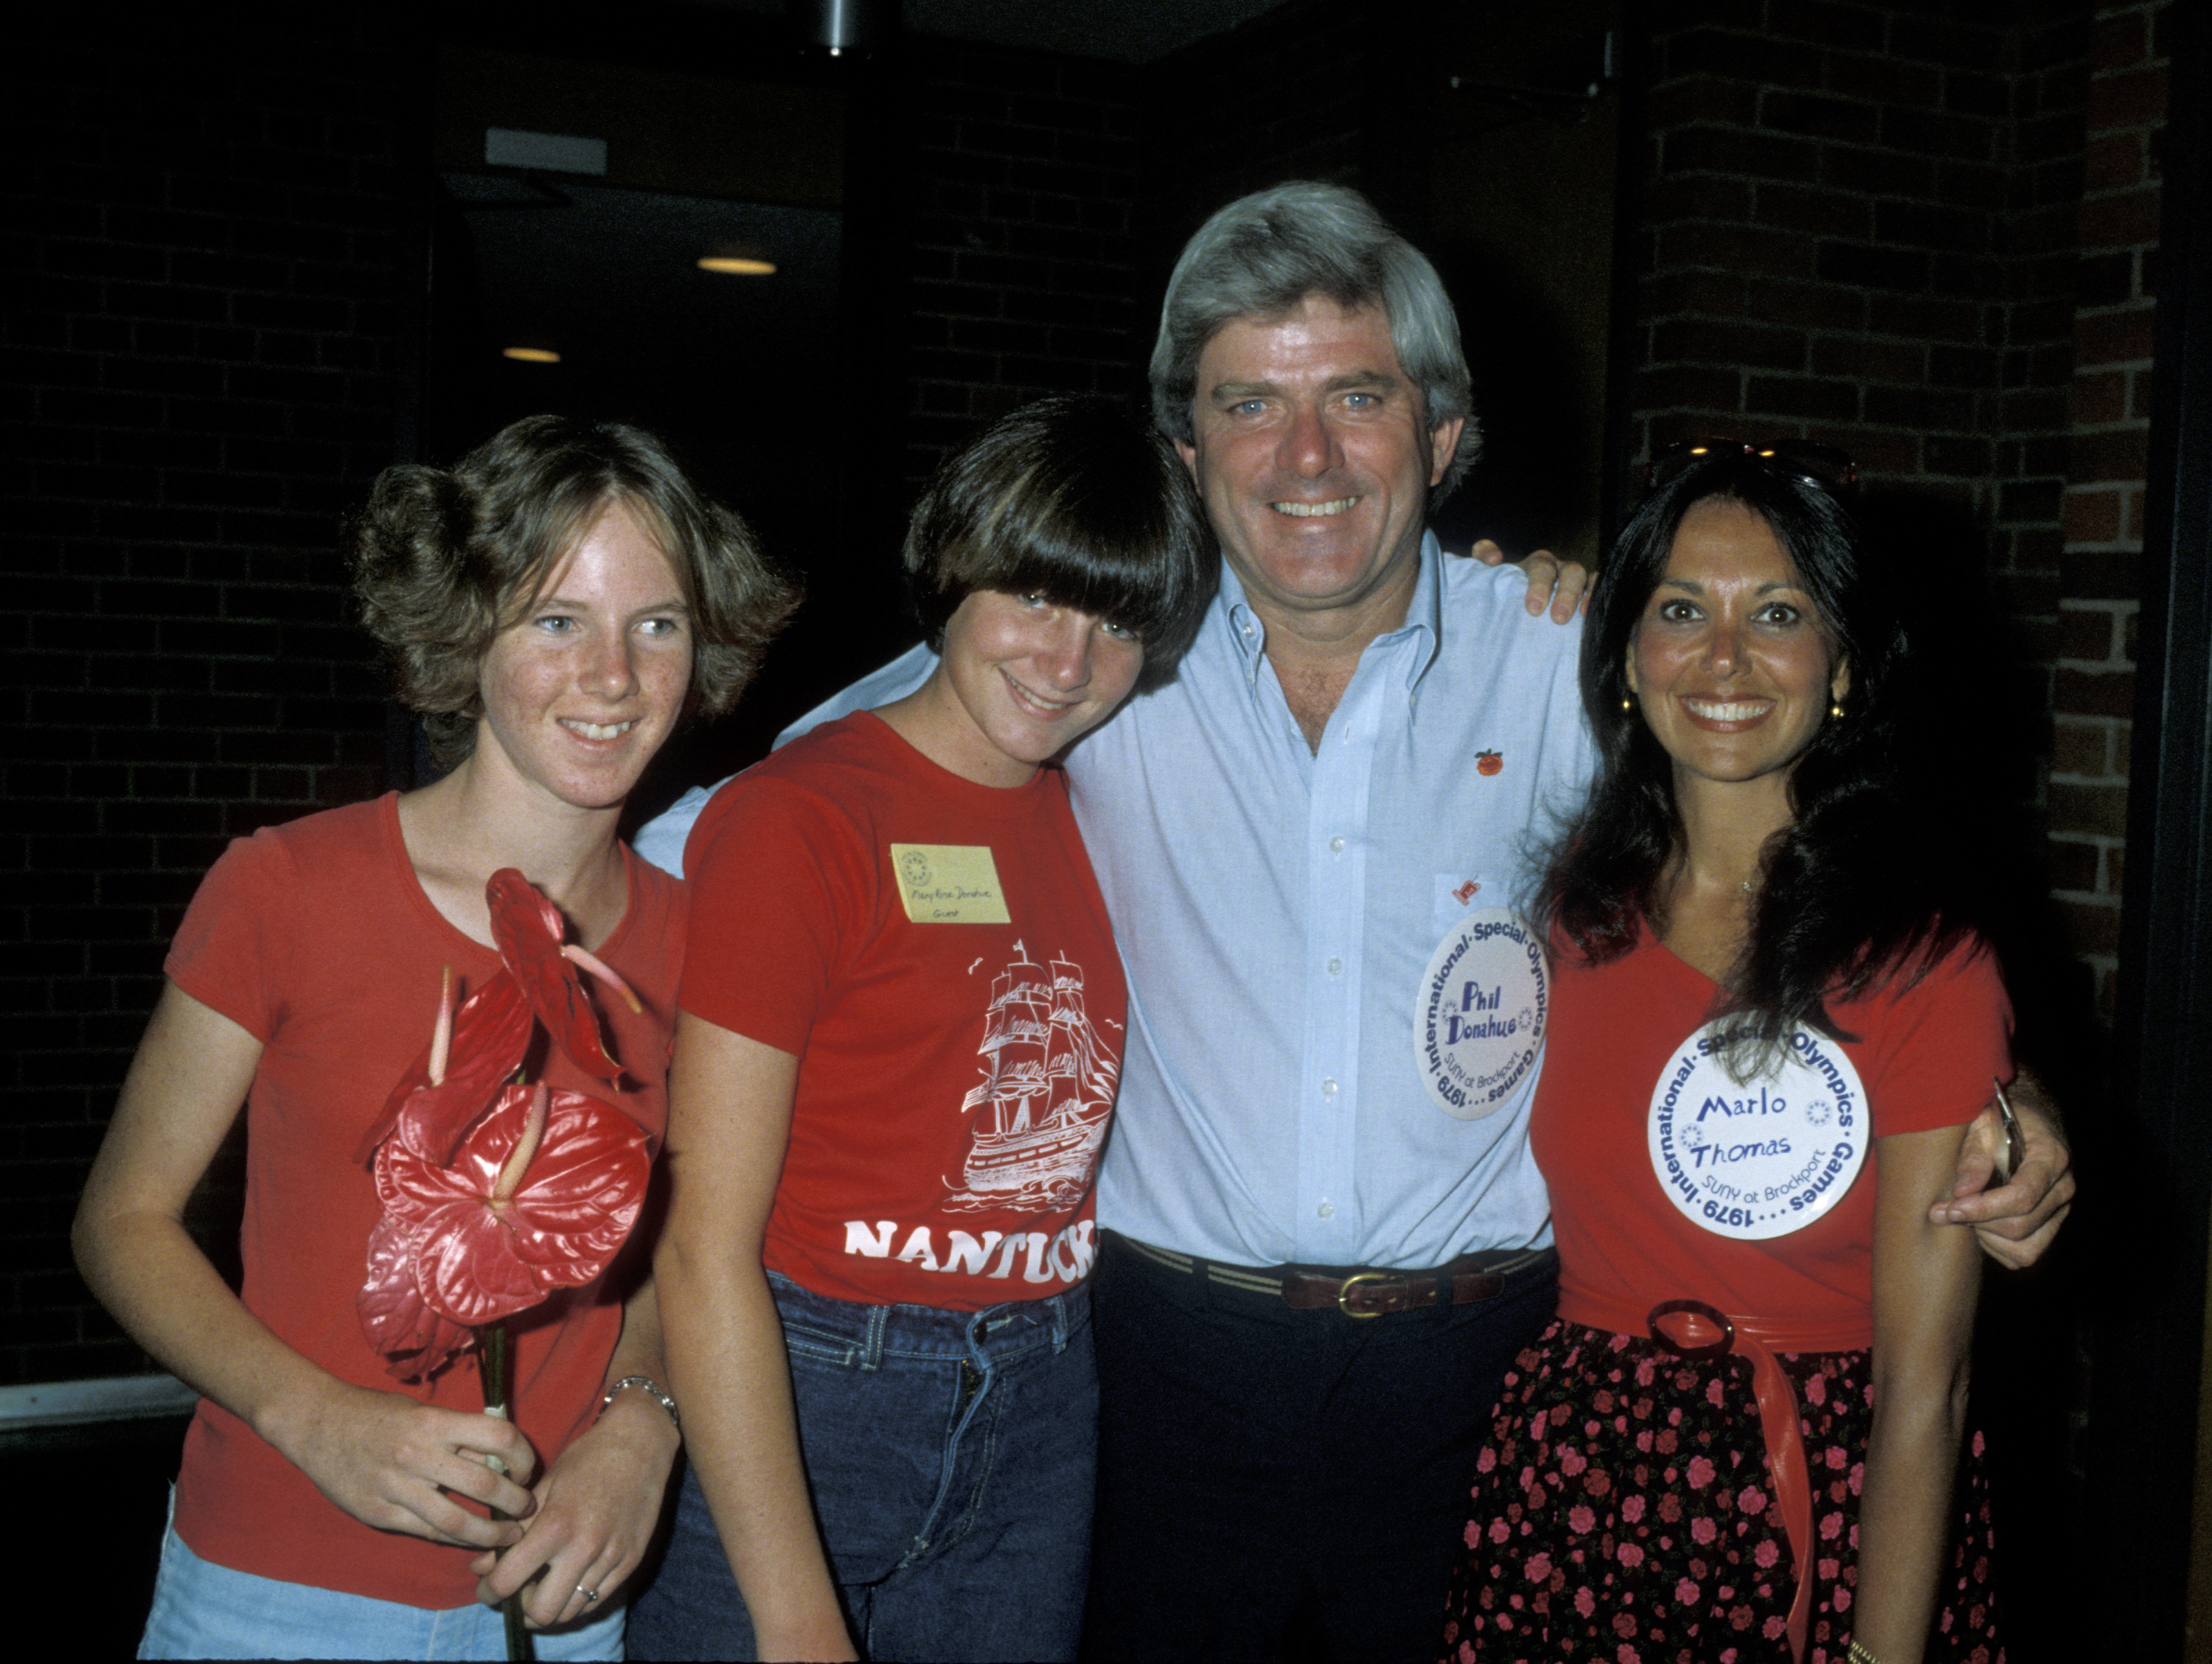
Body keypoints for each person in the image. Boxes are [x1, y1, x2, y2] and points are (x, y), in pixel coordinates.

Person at [636, 182, 2073, 1662]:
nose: (1305, 456)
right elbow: (713, 847)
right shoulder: (1084, 656)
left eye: (1358, 397)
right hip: (1153, 1381)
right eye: (1249, 402)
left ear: (1444, 437)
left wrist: (1990, 1092)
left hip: (1485, 1385)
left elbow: (1809, 866)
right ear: (1185, 451)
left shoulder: (1577, 661)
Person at [72, 414, 798, 1660]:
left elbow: (681, 1250)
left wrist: (641, 1424)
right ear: (467, 633)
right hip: (276, 1585)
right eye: (557, 619)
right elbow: (120, 1219)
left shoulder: (699, 938)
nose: (614, 676)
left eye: (657, 622)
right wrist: (313, 1416)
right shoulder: (287, 887)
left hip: (555, 1600)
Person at [625, 395, 1214, 1663]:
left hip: (1048, 1388)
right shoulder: (800, 818)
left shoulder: (1098, 812)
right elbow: (700, 1246)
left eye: (1117, 621)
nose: (1070, 660)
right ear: (951, 573)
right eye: (1035, 597)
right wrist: (793, 1616)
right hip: (817, 1385)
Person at [1440, 443, 2005, 1661]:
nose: (1725, 658)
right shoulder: (1569, 911)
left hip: (1821, 1507)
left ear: (1844, 665)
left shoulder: (1919, 955)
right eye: (1683, 609)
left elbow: (1930, 1386)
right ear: (1631, 654)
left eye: (1781, 613)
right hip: (1573, 1494)